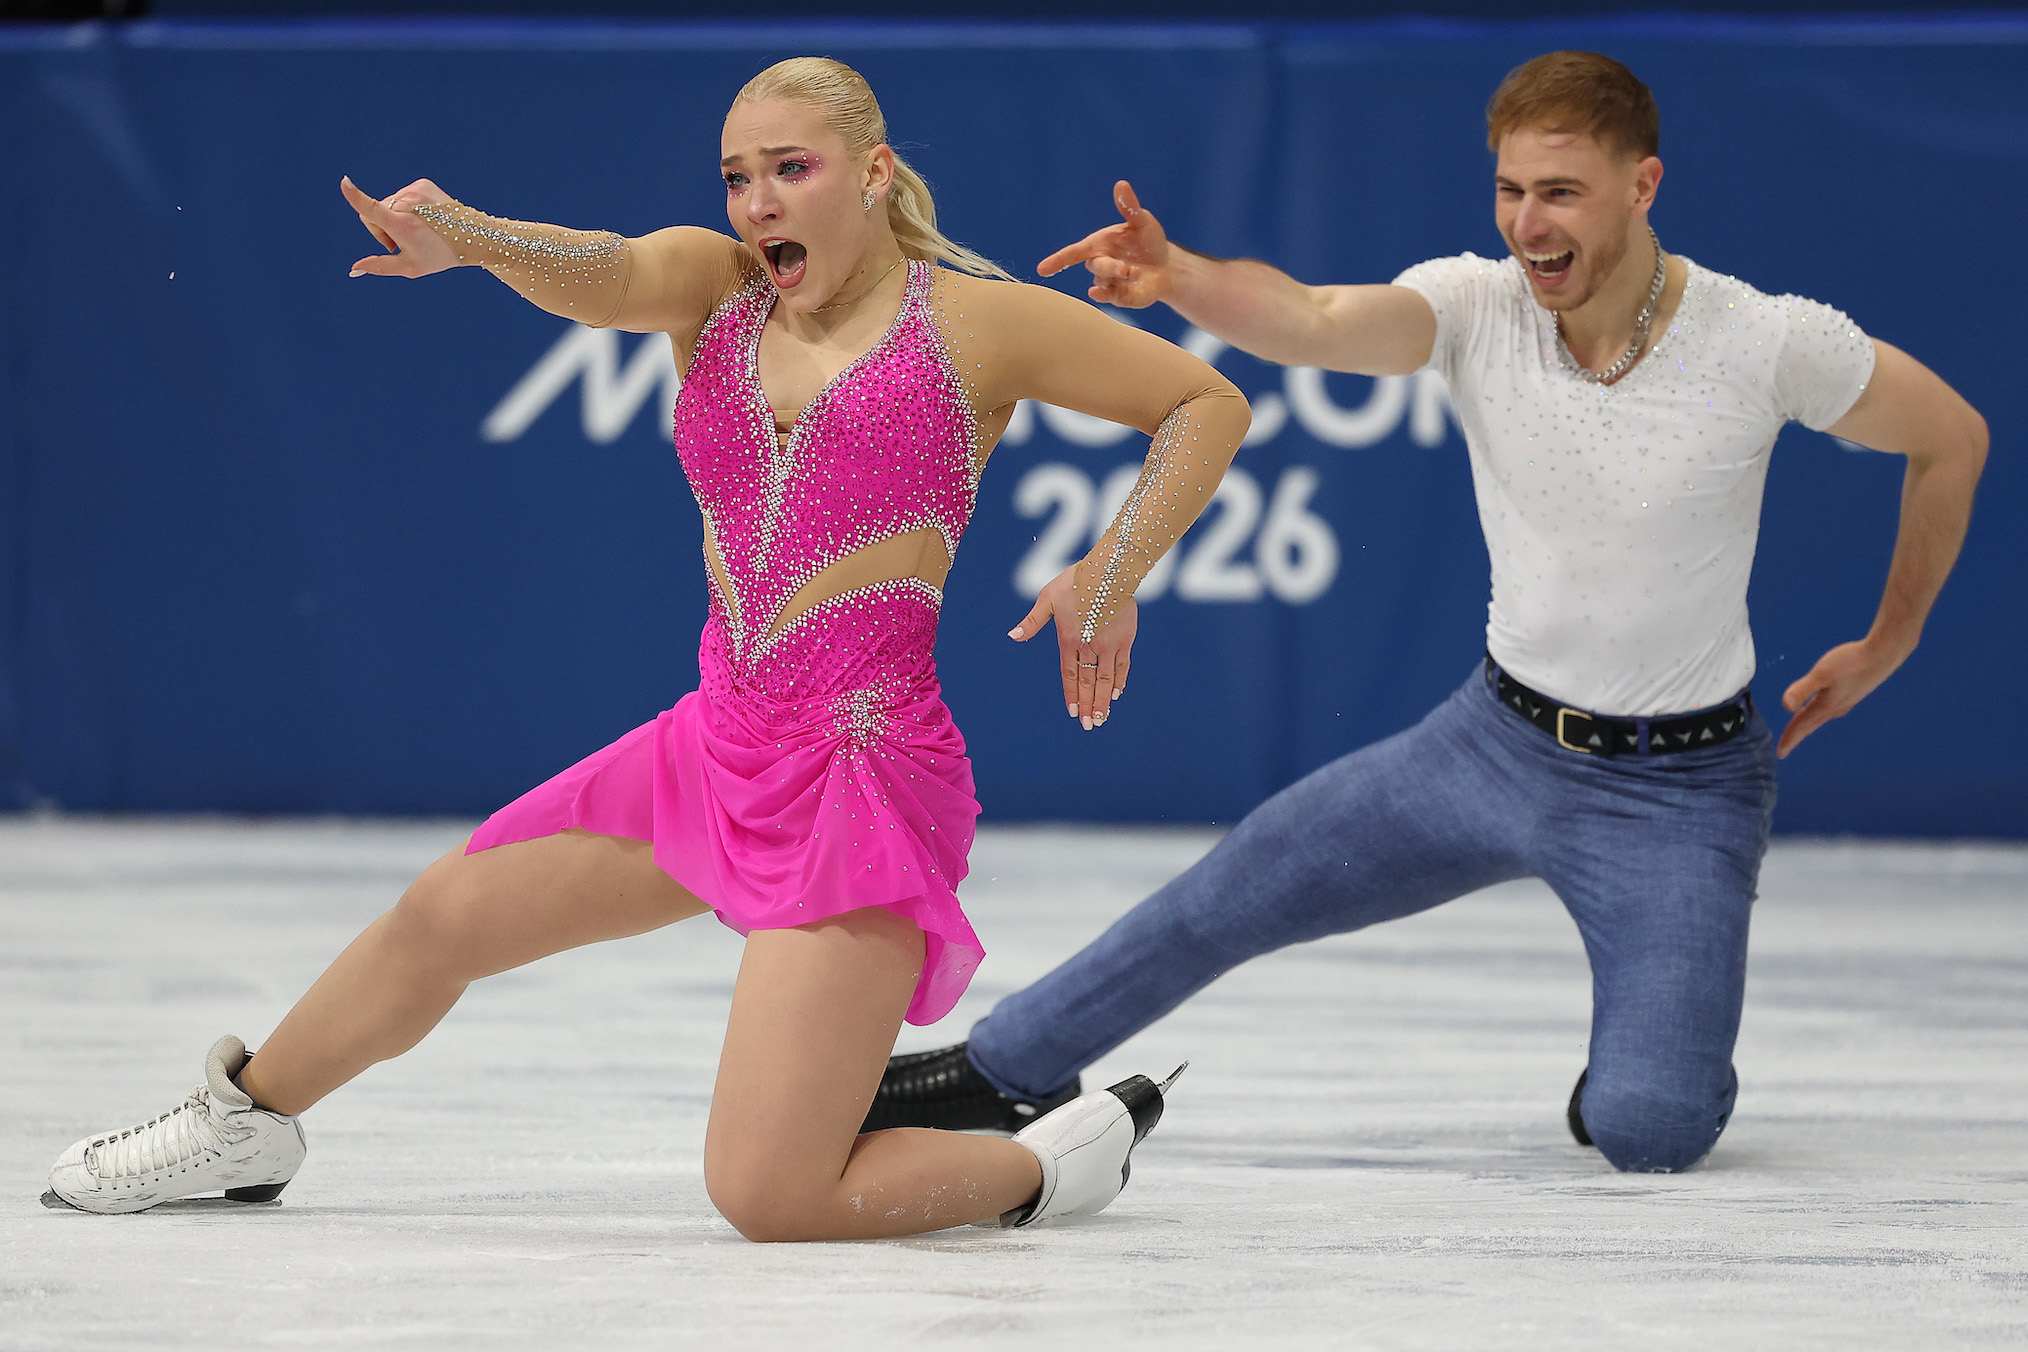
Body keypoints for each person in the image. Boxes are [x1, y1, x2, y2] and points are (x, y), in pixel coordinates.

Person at [45, 56, 1246, 1236]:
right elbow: (605, 271)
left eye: (791, 168)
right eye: (738, 176)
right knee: (446, 911)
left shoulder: (975, 326)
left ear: (874, 174)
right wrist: (466, 232)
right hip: (719, 742)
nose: (759, 201)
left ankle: (1043, 1169)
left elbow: (1206, 402)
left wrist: (1113, 567)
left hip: (857, 775)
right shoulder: (715, 288)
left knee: (770, 1192)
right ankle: (247, 1120)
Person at [865, 51, 1988, 1173]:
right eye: (1508, 191)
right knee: (1233, 888)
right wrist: (1183, 278)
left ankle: (1647, 1059)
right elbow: (1309, 316)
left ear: (1643, 187)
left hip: (1681, 791)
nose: (1526, 225)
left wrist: (1892, 640)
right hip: (1489, 746)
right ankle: (1008, 1064)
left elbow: (1953, 438)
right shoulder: (1476, 305)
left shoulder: (1763, 339)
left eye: (1560, 193)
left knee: (1652, 1128)